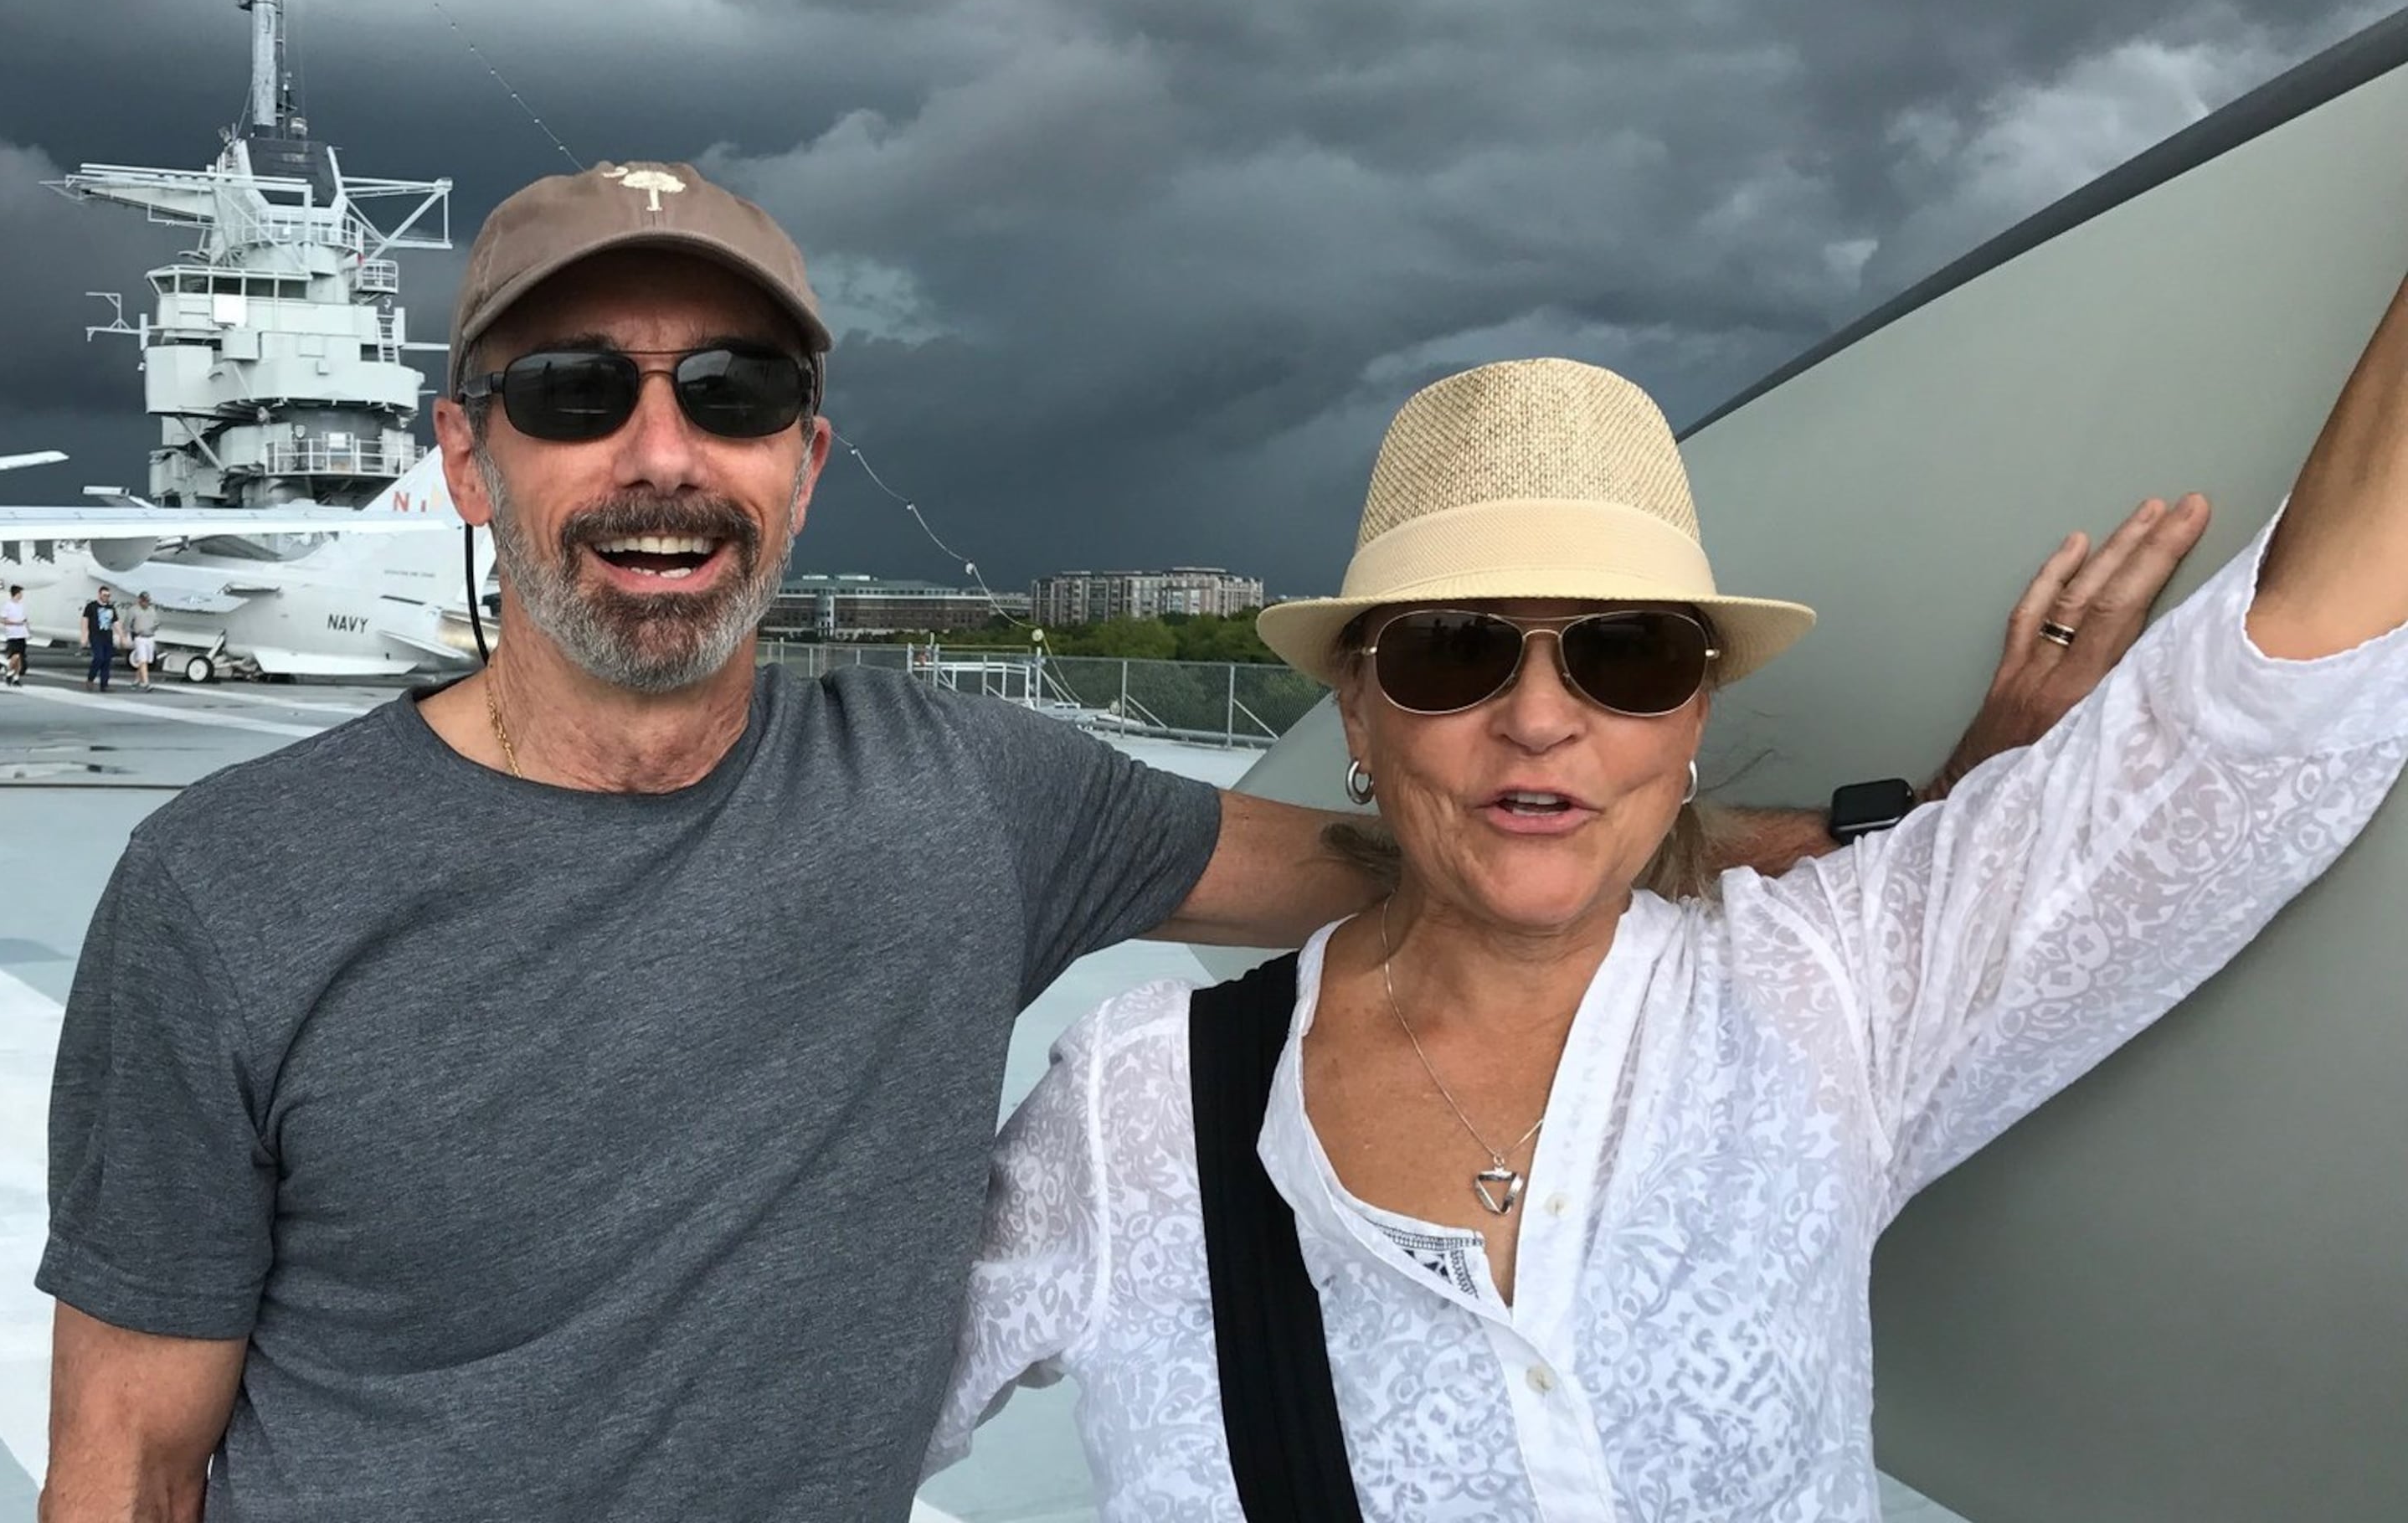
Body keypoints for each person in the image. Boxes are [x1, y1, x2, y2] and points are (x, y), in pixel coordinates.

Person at [34, 163, 2122, 1523]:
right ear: (465, 452)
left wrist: (1902, 826)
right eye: (578, 388)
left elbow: (1422, 836)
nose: (660, 449)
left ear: (806, 460)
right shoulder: (235, 893)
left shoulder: (959, 794)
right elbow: (124, 1453)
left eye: (735, 388)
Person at [933, 324, 2408, 1518]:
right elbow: (783, 1425)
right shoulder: (1134, 1111)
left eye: (1625, 657)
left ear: (1694, 712)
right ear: (1360, 717)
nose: (1538, 722)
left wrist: (1982, 790)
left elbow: (2274, 695)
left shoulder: (1832, 992)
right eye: (1454, 653)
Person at [83, 586, 120, 692]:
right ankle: (90, 679)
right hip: (96, 636)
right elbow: (85, 621)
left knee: (107, 660)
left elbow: (115, 622)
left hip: (107, 636)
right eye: (104, 595)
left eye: (108, 596)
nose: (106, 597)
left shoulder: (111, 608)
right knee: (99, 658)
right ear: (99, 595)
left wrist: (122, 635)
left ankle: (104, 685)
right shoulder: (91, 606)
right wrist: (84, 636)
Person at [127, 592, 161, 689]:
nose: (146, 603)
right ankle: (146, 683)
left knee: (146, 661)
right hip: (140, 638)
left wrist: (153, 628)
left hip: (150, 637)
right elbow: (128, 624)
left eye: (148, 601)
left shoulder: (152, 610)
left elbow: (157, 623)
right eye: (144, 601)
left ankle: (137, 680)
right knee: (143, 660)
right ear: (140, 600)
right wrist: (134, 632)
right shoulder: (134, 610)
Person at [0, 584, 29, 686]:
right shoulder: (8, 605)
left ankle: (16, 677)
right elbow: (1, 619)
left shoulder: (21, 605)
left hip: (22, 633)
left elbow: (24, 619)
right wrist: (15, 623)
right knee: (15, 655)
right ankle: (9, 673)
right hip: (13, 634)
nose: (21, 595)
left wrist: (26, 626)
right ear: (16, 594)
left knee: (20, 657)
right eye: (20, 593)